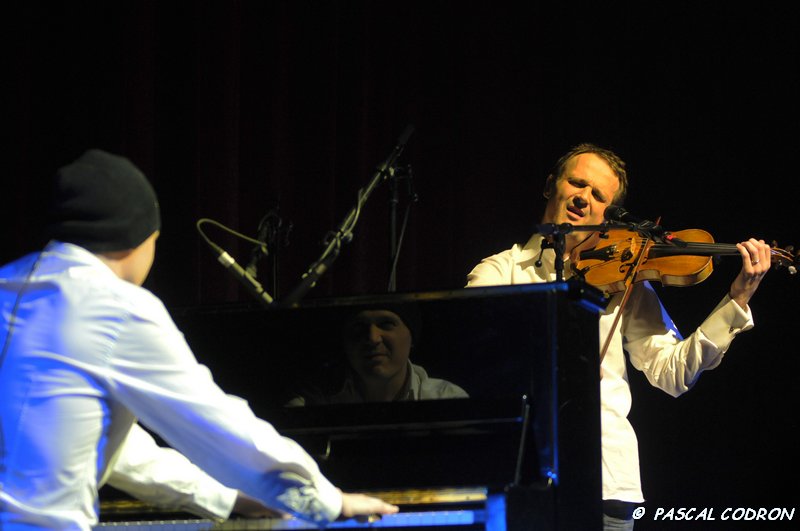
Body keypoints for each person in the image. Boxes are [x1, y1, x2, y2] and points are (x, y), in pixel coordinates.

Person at [0, 149, 398, 530]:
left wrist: (230, 499)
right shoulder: (114, 307)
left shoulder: (10, 287)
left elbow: (112, 446)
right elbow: (216, 424)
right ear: (141, 238)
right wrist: (325, 501)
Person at [465, 143, 771, 530]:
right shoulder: (498, 271)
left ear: (609, 216)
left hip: (606, 479)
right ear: (550, 186)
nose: (583, 198)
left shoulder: (625, 281)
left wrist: (737, 297)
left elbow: (672, 373)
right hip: (516, 474)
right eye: (577, 183)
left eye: (598, 196)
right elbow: (480, 357)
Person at [286, 306, 468, 405]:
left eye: (386, 324)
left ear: (411, 337)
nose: (372, 338)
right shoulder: (315, 401)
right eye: (359, 327)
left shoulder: (446, 399)